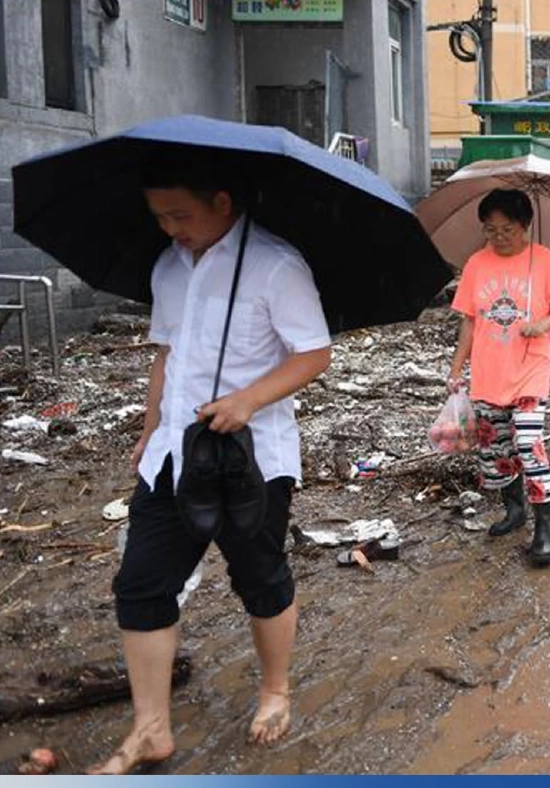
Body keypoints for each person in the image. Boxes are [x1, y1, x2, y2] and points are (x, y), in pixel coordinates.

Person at [95, 153, 333, 773]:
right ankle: (151, 727)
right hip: (175, 454)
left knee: (259, 578)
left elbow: (313, 354)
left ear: (222, 203)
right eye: (160, 216)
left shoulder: (275, 265)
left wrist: (248, 400)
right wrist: (150, 431)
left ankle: (275, 689)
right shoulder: (169, 267)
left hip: (251, 459)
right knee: (142, 584)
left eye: (180, 214)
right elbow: (166, 354)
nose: (171, 228)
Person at [448, 189, 550, 568]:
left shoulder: (546, 261)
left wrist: (543, 324)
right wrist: (457, 367)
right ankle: (514, 510)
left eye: (507, 229)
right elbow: (470, 321)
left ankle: (543, 528)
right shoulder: (476, 264)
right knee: (496, 449)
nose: (499, 237)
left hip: (531, 369)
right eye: (491, 230)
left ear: (525, 226)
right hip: (489, 371)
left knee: (527, 442)